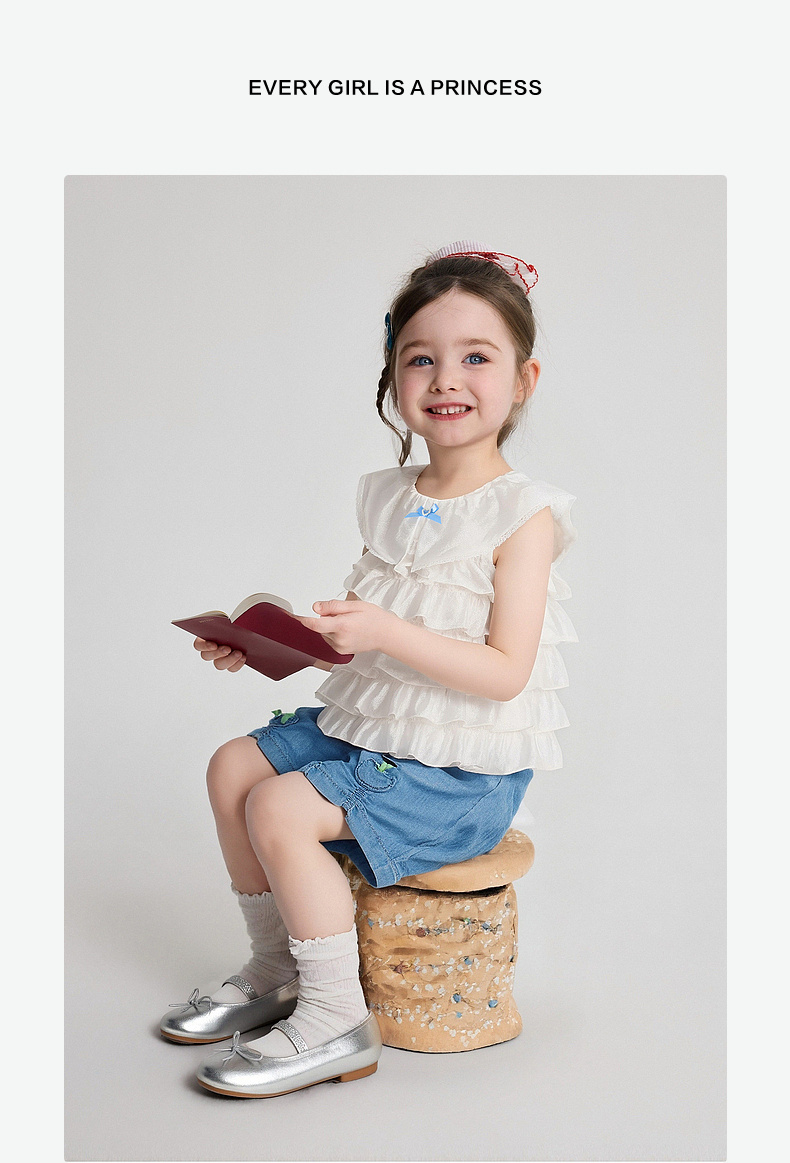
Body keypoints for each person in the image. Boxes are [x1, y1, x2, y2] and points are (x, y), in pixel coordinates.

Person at [159, 240, 579, 1098]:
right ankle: (279, 966)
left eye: (476, 357)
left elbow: (506, 671)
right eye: (420, 358)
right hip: (377, 729)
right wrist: (266, 638)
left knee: (278, 805)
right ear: (393, 375)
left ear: (523, 380)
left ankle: (335, 1018)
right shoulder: (388, 495)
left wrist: (387, 630)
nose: (446, 377)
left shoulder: (522, 515)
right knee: (233, 766)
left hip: (460, 770)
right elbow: (360, 640)